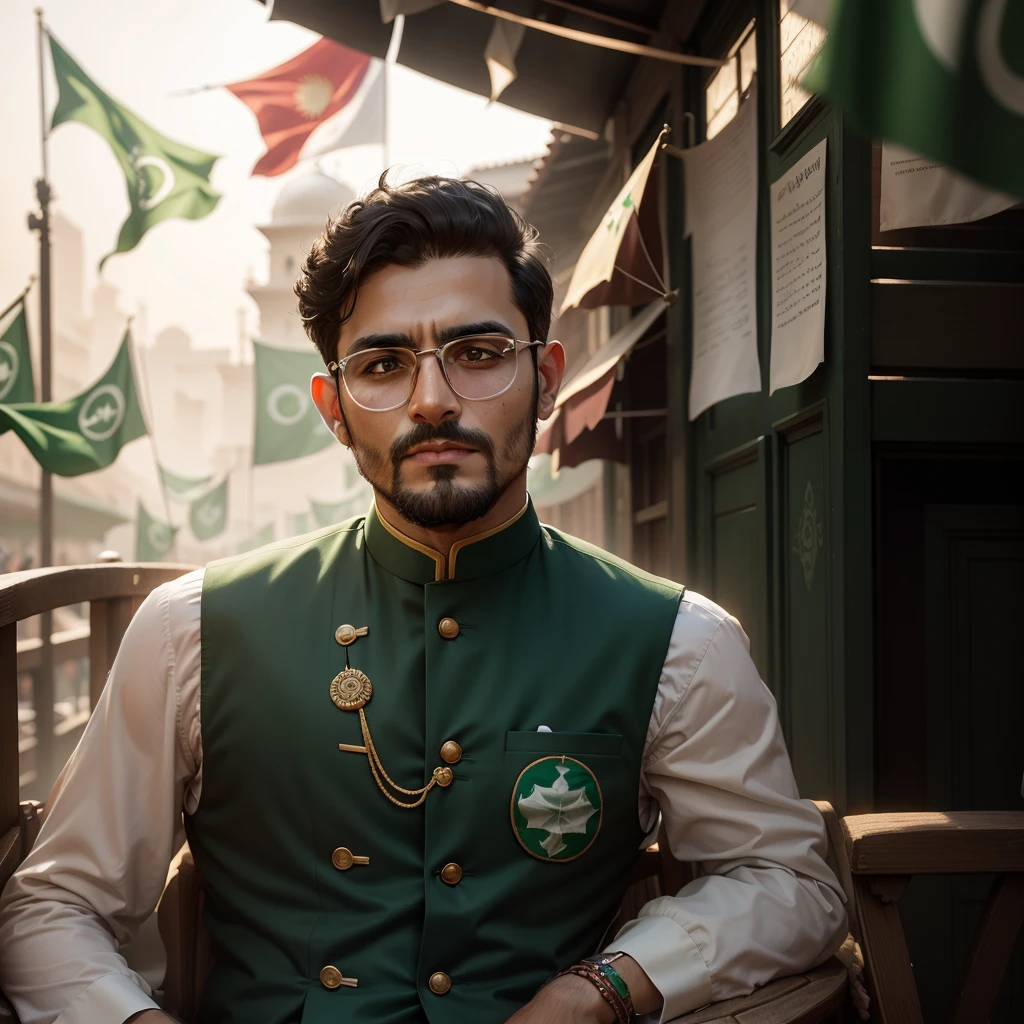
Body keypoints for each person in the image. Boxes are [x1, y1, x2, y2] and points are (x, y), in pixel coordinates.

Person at [0, 175, 847, 1024]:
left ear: (545, 378)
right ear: (334, 408)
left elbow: (789, 883)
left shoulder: (676, 641)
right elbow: (52, 908)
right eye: (383, 365)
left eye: (477, 355)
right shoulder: (191, 633)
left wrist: (604, 988)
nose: (432, 399)